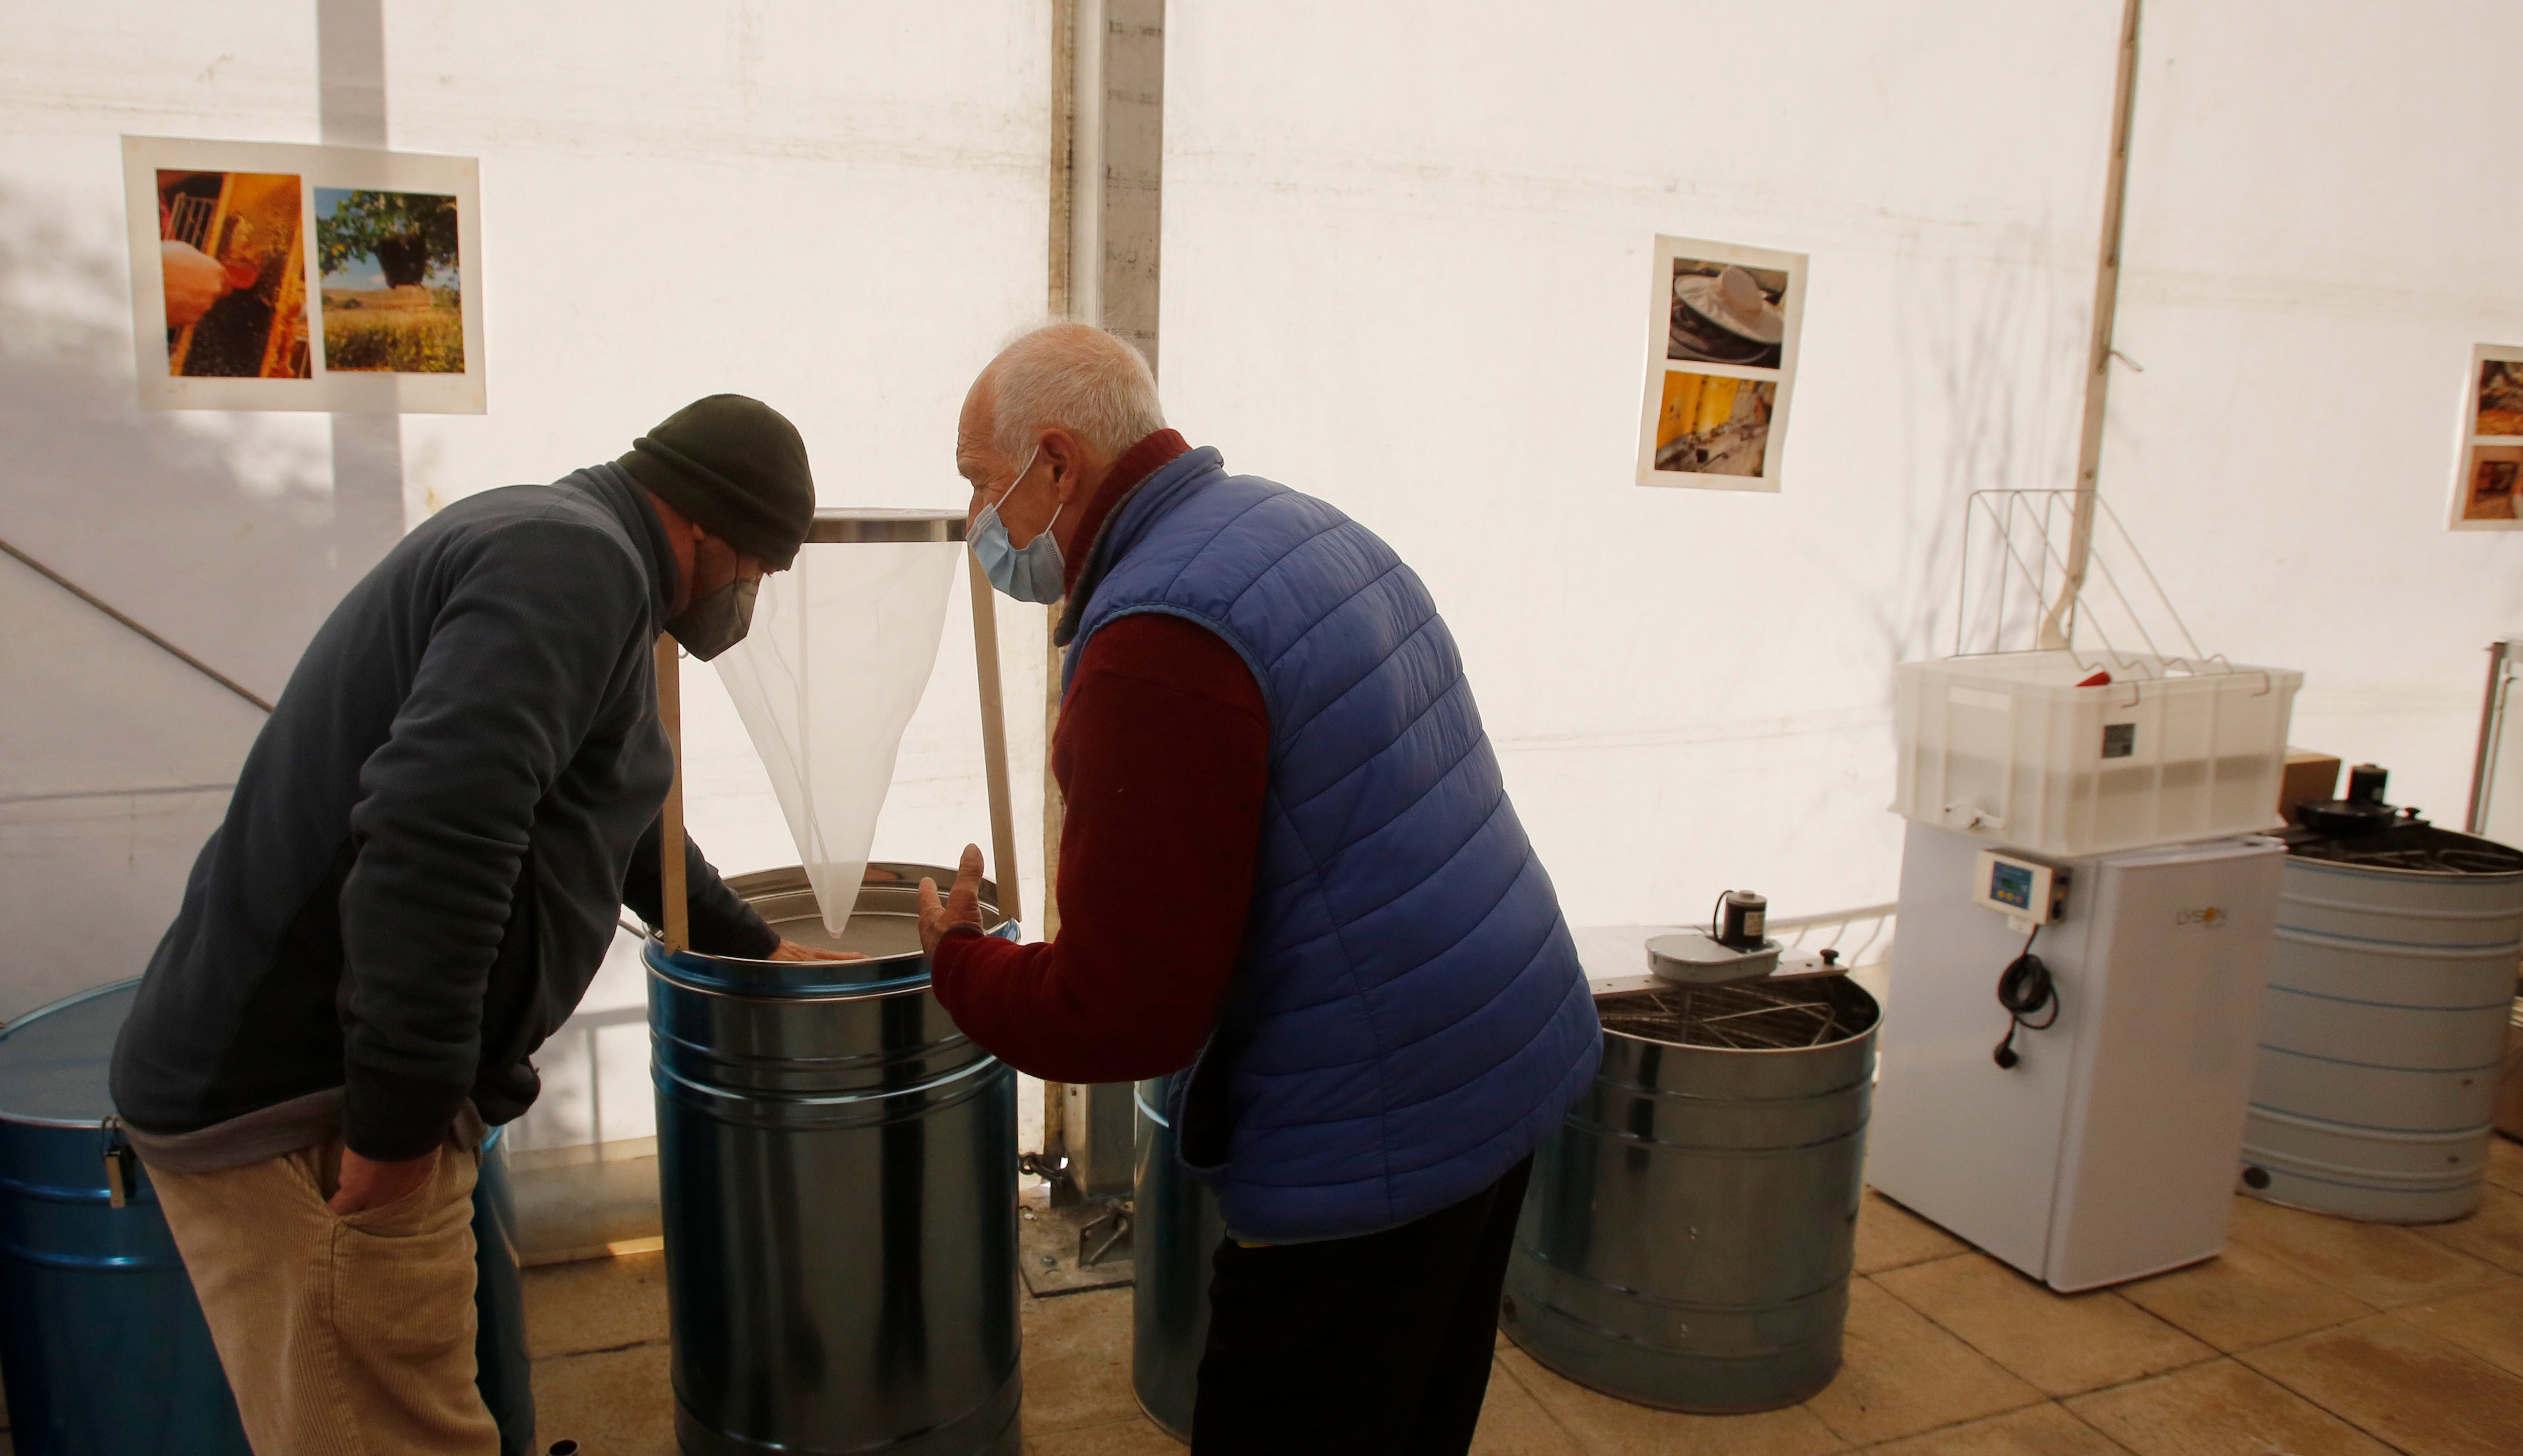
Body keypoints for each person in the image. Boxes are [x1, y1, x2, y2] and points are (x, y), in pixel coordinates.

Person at [110, 395, 849, 1456]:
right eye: (761, 570)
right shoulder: (575, 567)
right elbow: (436, 827)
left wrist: (756, 944)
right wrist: (400, 1122)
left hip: (317, 1091)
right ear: (706, 525)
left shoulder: (568, 548)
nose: (752, 597)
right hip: (306, 1115)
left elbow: (614, 807)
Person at [917, 324, 1602, 1454]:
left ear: (1057, 462)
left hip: (1373, 1127)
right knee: (1416, 1410)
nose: (976, 523)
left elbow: (1123, 1010)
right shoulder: (1300, 526)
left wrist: (961, 961)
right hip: (1503, 1050)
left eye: (979, 484)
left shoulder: (1154, 641)